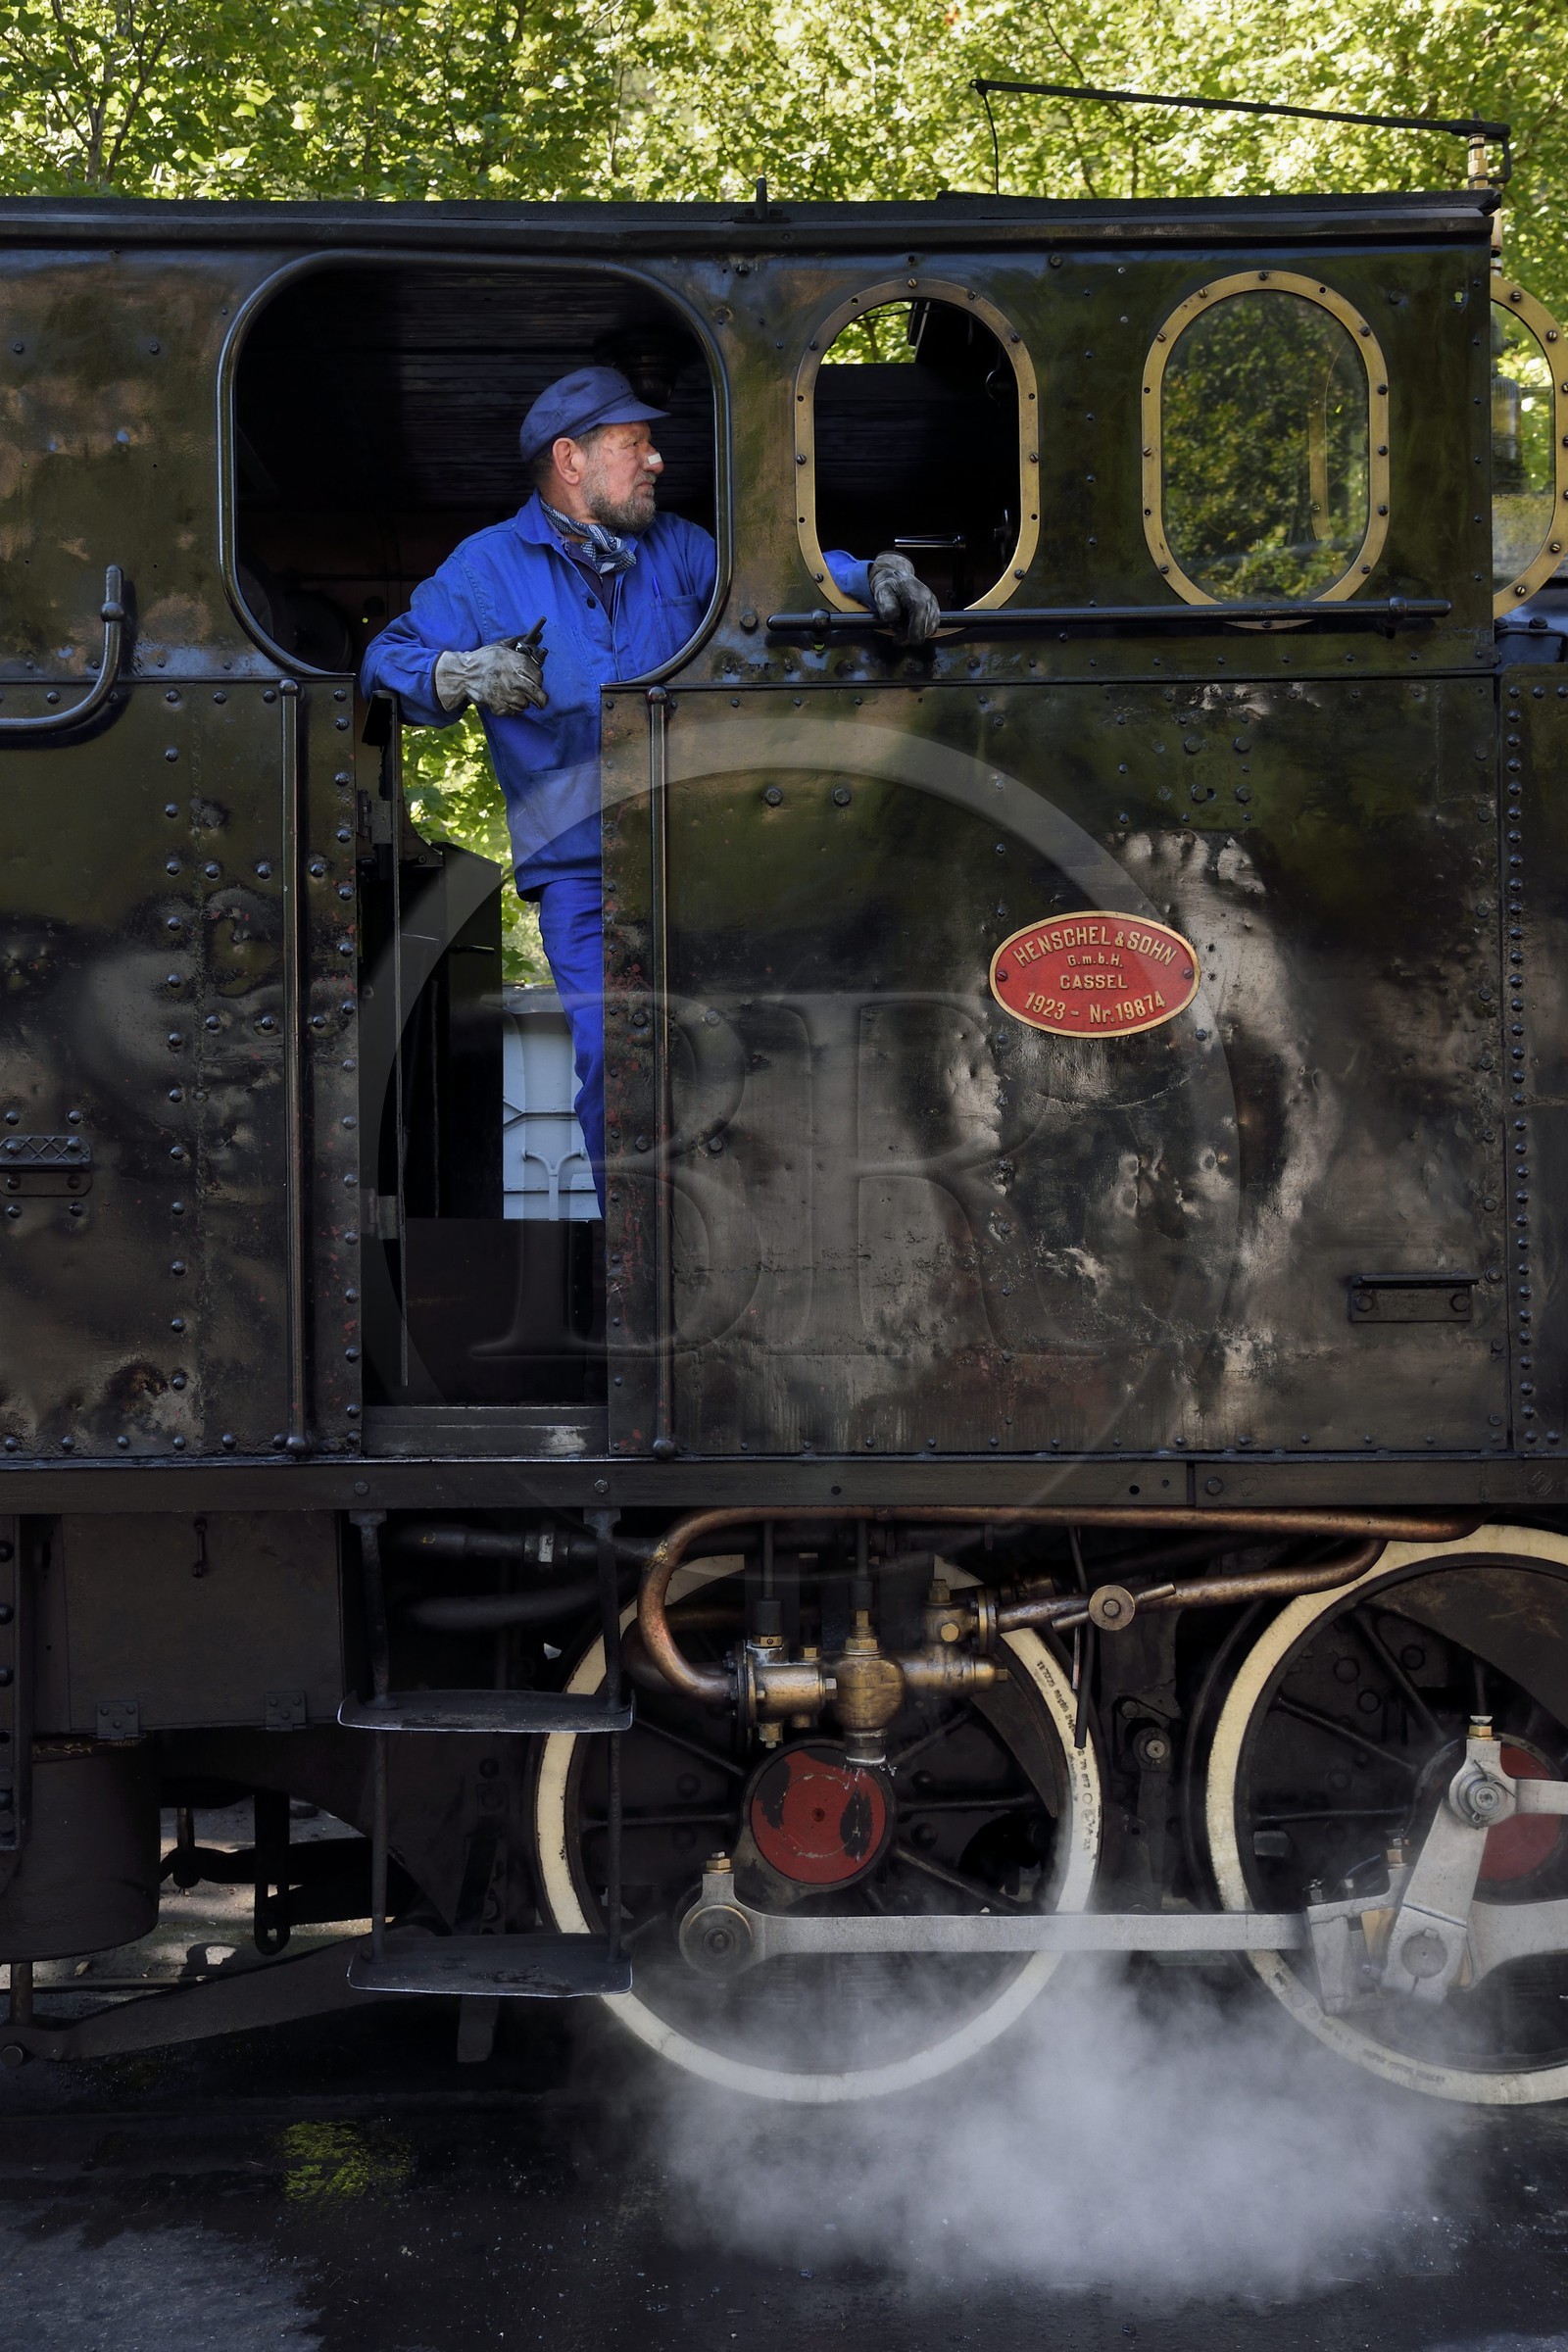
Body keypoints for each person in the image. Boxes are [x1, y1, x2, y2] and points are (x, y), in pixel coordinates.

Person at [360, 365, 940, 1206]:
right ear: (571, 460)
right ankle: (636, 1248)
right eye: (634, 444)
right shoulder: (481, 570)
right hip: (582, 872)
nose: (657, 460)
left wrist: (874, 573)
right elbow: (386, 660)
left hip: (710, 857)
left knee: (761, 1039)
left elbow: (789, 579)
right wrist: (457, 672)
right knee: (615, 1052)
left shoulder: (684, 549)